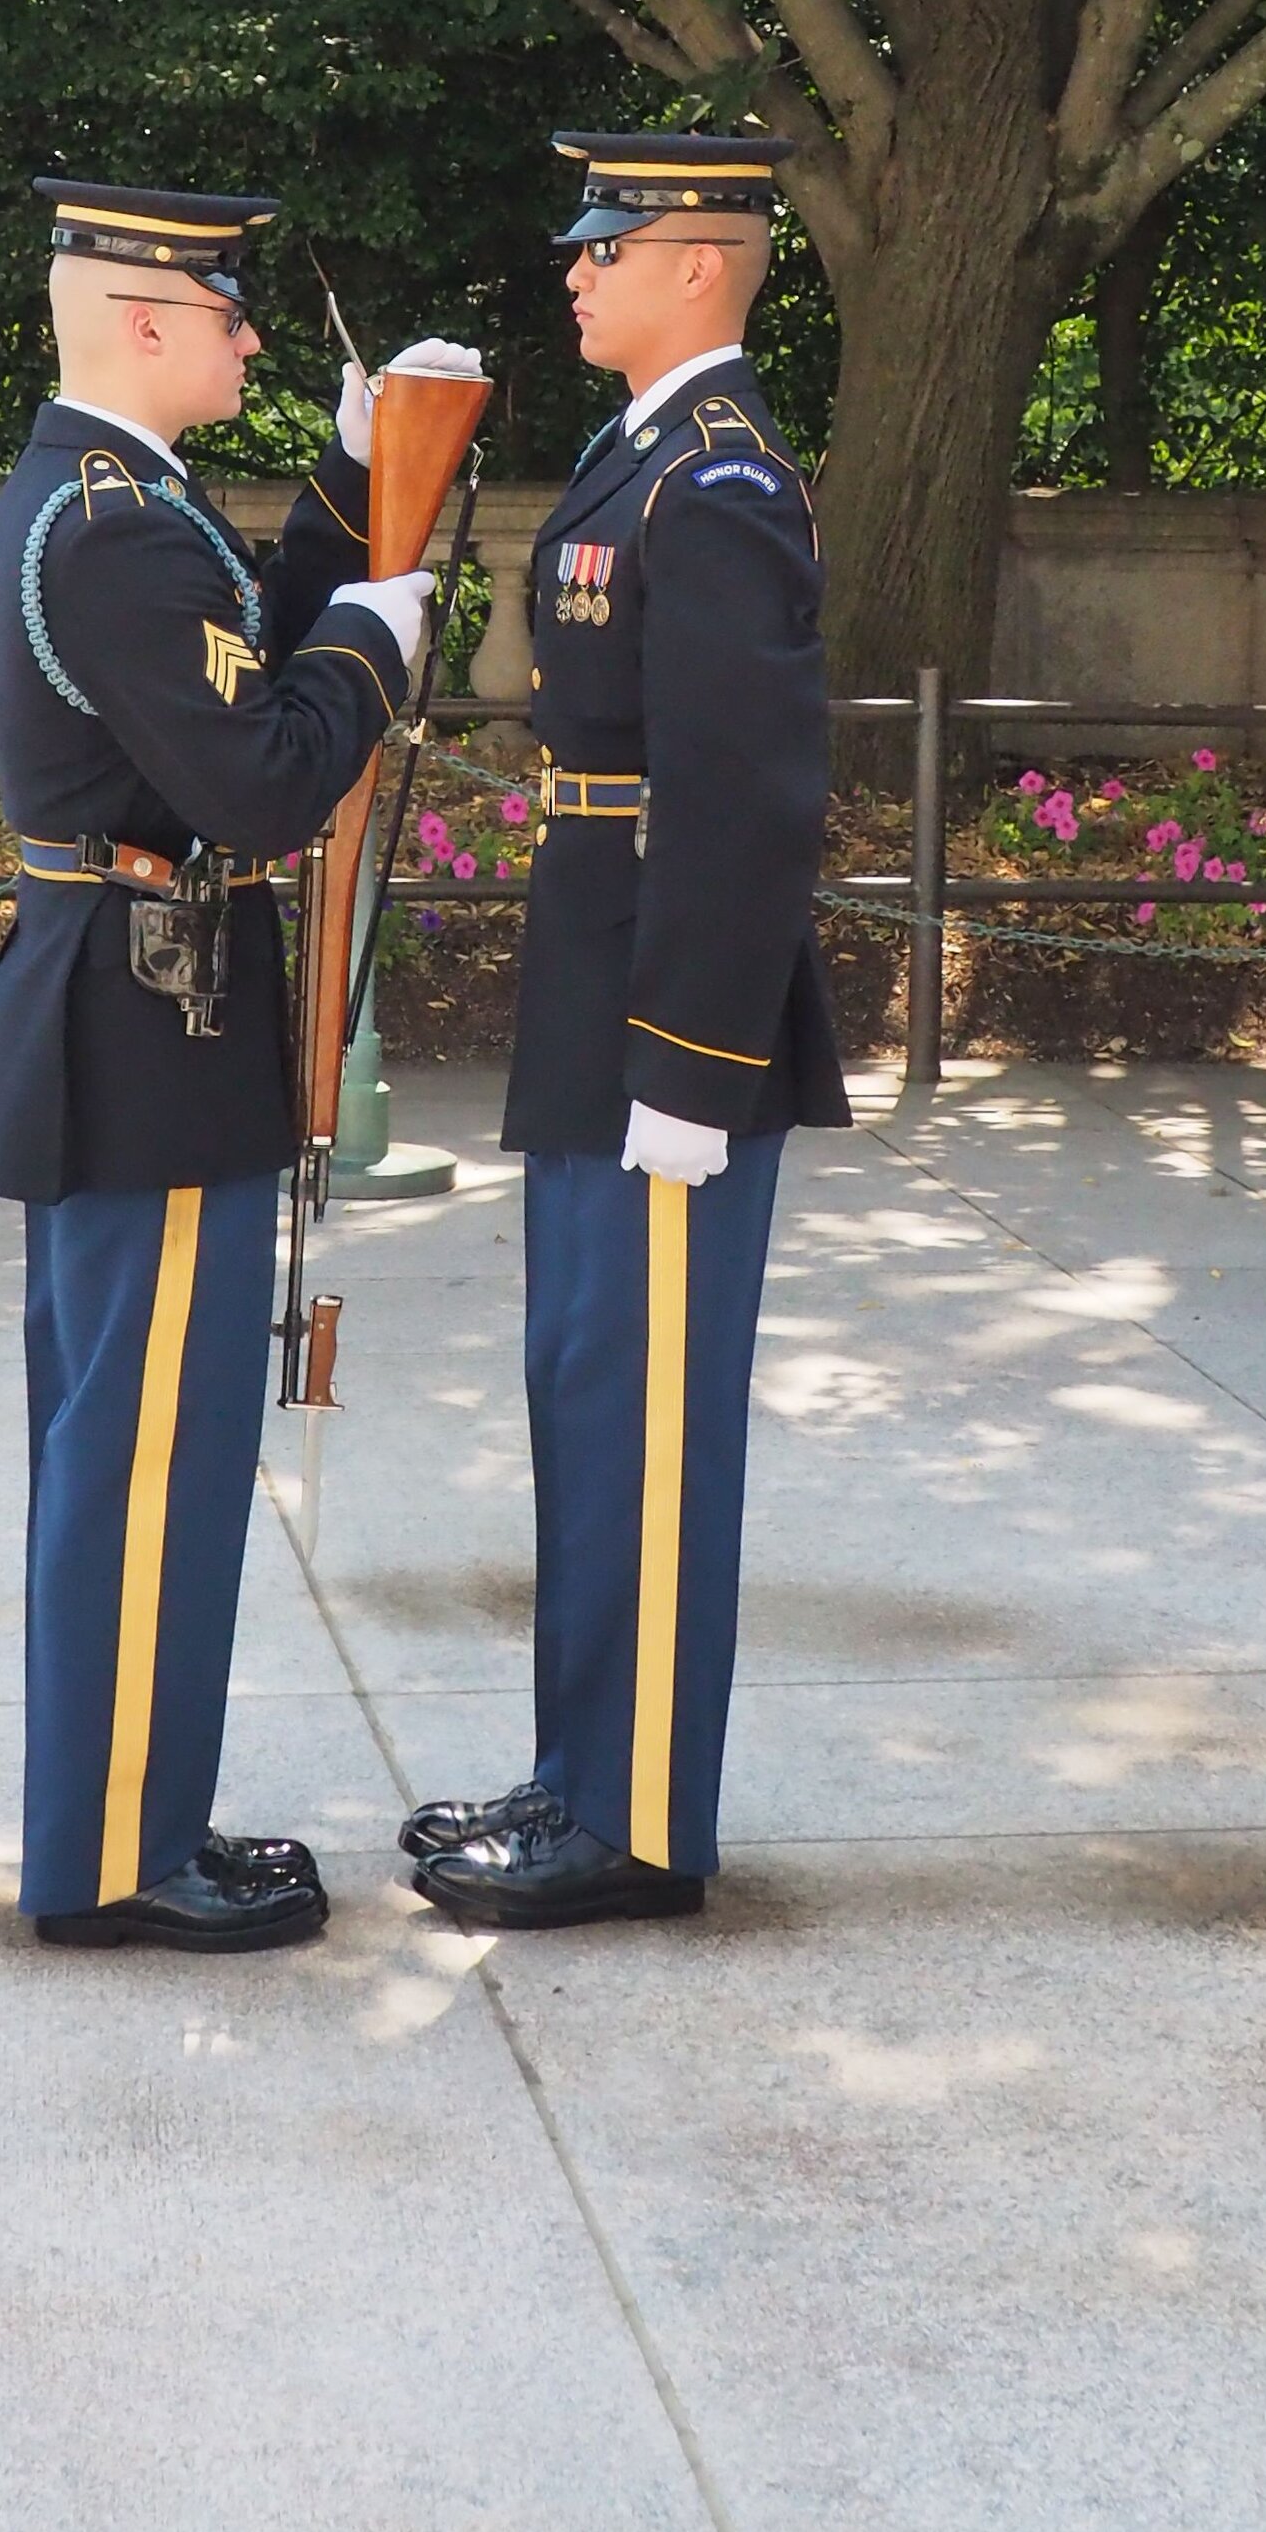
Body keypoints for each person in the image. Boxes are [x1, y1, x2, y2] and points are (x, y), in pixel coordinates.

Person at [0, 178, 442, 1953]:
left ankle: (137, 1820)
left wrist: (344, 496)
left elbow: (227, 656)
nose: (252, 336)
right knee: (145, 1458)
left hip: (134, 1010)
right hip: (149, 1026)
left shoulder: (124, 503)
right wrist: (377, 658)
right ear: (146, 323)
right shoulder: (112, 530)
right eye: (232, 315)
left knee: (141, 1446)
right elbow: (257, 776)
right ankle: (114, 1858)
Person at [403, 133, 845, 1932]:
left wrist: (691, 1067)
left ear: (698, 266)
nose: (575, 271)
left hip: (667, 1017)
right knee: (589, 1398)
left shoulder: (722, 484)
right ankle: (583, 1771)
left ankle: (643, 1821)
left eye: (609, 245)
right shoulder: (641, 454)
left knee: (651, 1418)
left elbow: (744, 804)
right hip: (604, 982)